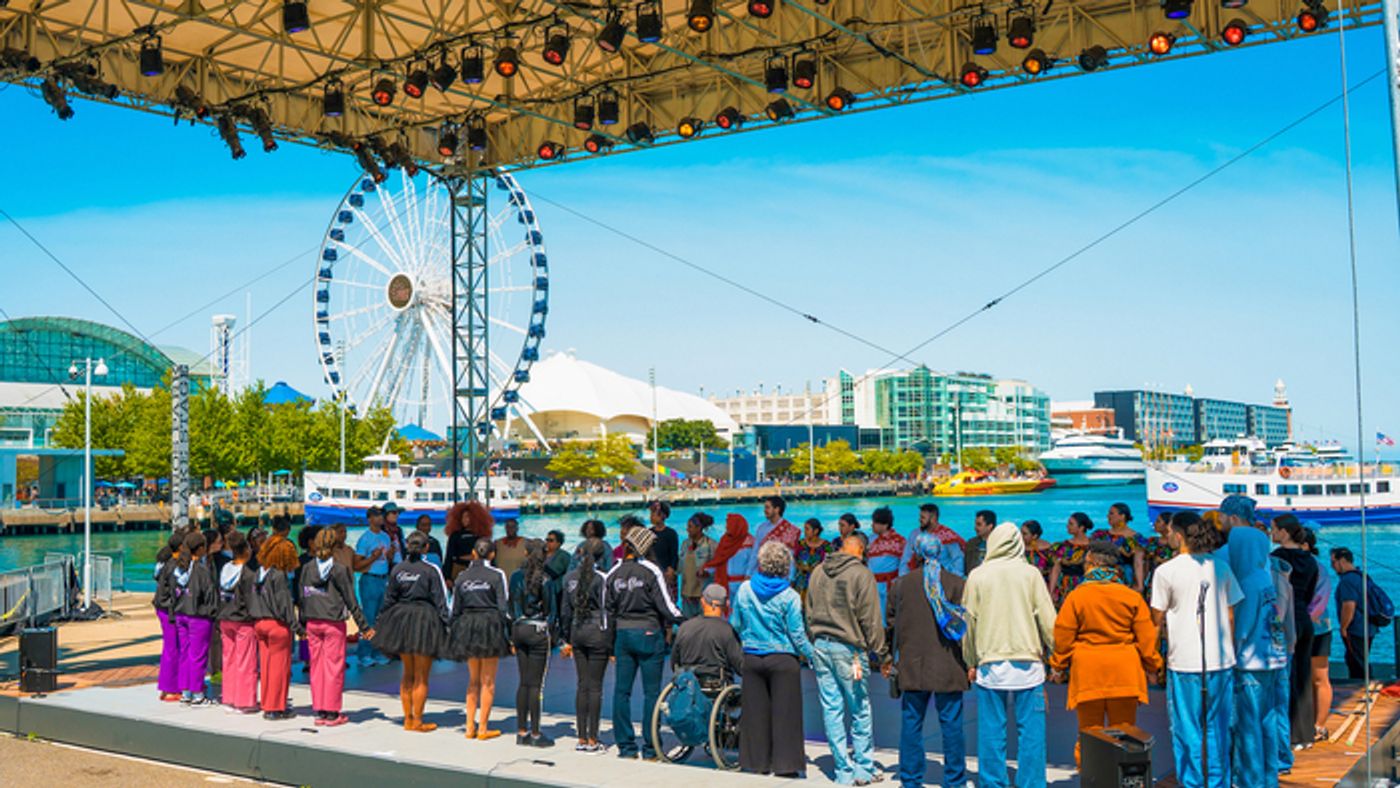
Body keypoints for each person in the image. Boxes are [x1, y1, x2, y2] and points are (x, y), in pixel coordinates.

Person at [1150, 511, 1242, 788]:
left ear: (1178, 535)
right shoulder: (1220, 567)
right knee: (1218, 728)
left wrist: (1152, 656)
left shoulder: (1165, 571)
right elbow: (1230, 615)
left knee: (1186, 729)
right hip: (1221, 660)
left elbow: (1155, 619)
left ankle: (1190, 782)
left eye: (1168, 533)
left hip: (1184, 661)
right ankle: (1219, 783)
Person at [1049, 541, 1161, 767]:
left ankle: (1092, 779)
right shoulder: (1131, 597)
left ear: (1091, 563)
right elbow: (1147, 639)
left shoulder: (1077, 597)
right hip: (1124, 673)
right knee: (1126, 734)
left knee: (1090, 735)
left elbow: (1063, 636)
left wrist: (1058, 666)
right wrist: (1153, 667)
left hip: (1089, 673)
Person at [962, 522, 1056, 788]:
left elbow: (969, 624)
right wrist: (1057, 658)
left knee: (992, 731)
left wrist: (970, 661)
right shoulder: (1031, 574)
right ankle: (1032, 783)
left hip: (991, 664)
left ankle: (993, 783)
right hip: (1029, 665)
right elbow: (1048, 620)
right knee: (1032, 733)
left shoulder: (978, 576)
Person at [1216, 495, 1292, 788]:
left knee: (1246, 724)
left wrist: (1231, 650)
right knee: (1267, 721)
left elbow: (1243, 624)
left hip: (1249, 661)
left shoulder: (1245, 581)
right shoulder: (1265, 576)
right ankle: (1268, 775)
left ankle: (1248, 780)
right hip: (1274, 656)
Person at [887, 529, 969, 788]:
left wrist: (888, 658)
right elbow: (965, 628)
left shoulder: (901, 585)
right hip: (949, 665)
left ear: (917, 554)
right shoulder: (957, 584)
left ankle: (910, 779)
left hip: (913, 665)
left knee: (911, 724)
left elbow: (891, 624)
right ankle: (954, 780)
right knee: (952, 726)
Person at [807, 531, 889, 786]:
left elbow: (808, 610)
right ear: (862, 551)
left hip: (821, 645)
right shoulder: (861, 574)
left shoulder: (818, 571)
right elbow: (871, 620)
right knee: (860, 709)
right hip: (850, 650)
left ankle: (842, 768)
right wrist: (883, 654)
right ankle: (863, 768)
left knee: (831, 709)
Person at [730, 540, 816, 778]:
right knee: (785, 715)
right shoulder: (790, 596)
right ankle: (785, 765)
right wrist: (814, 657)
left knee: (755, 714)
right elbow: (797, 635)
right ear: (785, 566)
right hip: (783, 660)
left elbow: (735, 623)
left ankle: (757, 762)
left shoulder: (745, 589)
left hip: (753, 657)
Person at [606, 527, 682, 760]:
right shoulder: (651, 570)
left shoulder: (614, 573)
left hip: (623, 636)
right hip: (649, 634)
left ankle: (626, 747)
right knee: (651, 694)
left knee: (621, 691)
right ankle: (650, 748)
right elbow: (666, 607)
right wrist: (686, 621)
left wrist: (611, 645)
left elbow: (607, 612)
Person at [373, 531, 451, 732]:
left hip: (402, 621)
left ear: (407, 546)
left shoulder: (398, 569)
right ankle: (417, 720)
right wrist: (447, 626)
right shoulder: (431, 570)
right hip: (424, 621)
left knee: (407, 673)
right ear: (426, 548)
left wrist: (381, 623)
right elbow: (440, 601)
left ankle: (408, 719)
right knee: (421, 676)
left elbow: (389, 599)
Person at [297, 529, 373, 727]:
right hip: (332, 623)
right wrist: (364, 626)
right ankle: (332, 712)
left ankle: (320, 709)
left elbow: (302, 596)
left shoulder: (307, 568)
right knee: (333, 668)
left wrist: (302, 623)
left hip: (313, 622)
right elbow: (350, 599)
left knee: (317, 667)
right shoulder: (339, 570)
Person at [448, 537, 512, 740]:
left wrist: (454, 633)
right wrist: (507, 634)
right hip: (489, 624)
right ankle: (483, 728)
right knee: (488, 681)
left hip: (468, 625)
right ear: (492, 554)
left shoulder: (462, 576)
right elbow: (504, 607)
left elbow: (454, 609)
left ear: (474, 554)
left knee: (473, 680)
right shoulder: (497, 574)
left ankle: (469, 726)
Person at [1271, 513, 1319, 749]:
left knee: (1285, 676)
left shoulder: (1277, 559)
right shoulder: (1309, 560)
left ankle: (1288, 734)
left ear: (1283, 532)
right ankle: (1305, 733)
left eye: (1273, 529)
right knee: (1304, 674)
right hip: (1304, 617)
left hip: (1286, 619)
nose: (1271, 533)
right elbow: (1310, 593)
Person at [560, 538, 611, 753]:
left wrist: (567, 640)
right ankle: (593, 738)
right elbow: (607, 610)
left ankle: (581, 737)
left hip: (577, 630)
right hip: (596, 631)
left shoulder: (570, 578)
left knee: (582, 685)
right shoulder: (602, 578)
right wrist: (611, 643)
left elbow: (565, 612)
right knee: (595, 686)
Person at [510, 541, 557, 747]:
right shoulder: (546, 579)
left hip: (519, 628)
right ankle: (536, 733)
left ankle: (521, 730)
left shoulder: (515, 577)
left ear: (526, 553)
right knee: (536, 685)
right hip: (537, 630)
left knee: (523, 681)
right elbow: (552, 612)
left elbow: (510, 606)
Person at [249, 539, 300, 720]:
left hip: (260, 623)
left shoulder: (258, 574)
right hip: (277, 625)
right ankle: (276, 707)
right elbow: (284, 604)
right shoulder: (279, 576)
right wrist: (296, 626)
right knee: (280, 667)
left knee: (267, 666)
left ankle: (267, 702)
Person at [170, 529, 216, 705]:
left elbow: (173, 593)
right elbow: (210, 595)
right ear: (200, 548)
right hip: (199, 616)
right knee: (198, 655)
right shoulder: (202, 571)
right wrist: (212, 614)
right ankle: (198, 693)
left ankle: (186, 692)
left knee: (185, 654)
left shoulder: (178, 569)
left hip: (181, 615)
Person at [217, 531, 259, 713]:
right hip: (243, 621)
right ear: (246, 549)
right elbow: (252, 600)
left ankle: (229, 698)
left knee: (229, 659)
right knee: (246, 661)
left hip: (225, 618)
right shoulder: (248, 573)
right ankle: (245, 701)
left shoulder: (225, 569)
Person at [671, 583, 745, 682]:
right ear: (726, 604)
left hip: (688, 684)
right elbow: (740, 666)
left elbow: (674, 663)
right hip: (717, 683)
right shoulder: (727, 630)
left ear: (702, 602)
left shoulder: (685, 627)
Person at [354, 507, 398, 666]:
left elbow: (388, 560)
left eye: (381, 516)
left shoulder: (386, 537)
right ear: (370, 519)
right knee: (369, 618)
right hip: (370, 579)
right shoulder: (365, 539)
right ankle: (364, 653)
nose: (380, 519)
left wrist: (391, 554)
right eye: (377, 516)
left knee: (381, 618)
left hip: (383, 578)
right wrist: (372, 558)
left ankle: (378, 651)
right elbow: (356, 564)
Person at [1332, 546, 1382, 680]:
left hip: (1356, 629)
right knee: (1361, 659)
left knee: (1356, 662)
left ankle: (1360, 688)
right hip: (1369, 626)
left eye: (1333, 562)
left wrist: (1343, 627)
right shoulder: (1362, 576)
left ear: (1342, 560)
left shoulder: (1347, 581)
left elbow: (1349, 605)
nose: (1332, 567)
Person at [1304, 529, 1333, 742]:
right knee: (1316, 678)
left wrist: (1303, 619)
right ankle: (1313, 723)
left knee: (1319, 677)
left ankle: (1319, 724)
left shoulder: (1316, 567)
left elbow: (1321, 600)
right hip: (1315, 626)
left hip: (1316, 627)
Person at [153, 530, 184, 702]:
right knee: (172, 649)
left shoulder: (166, 563)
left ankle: (169, 686)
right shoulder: (173, 566)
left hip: (163, 608)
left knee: (170, 648)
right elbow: (173, 592)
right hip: (168, 610)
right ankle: (170, 688)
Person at [900, 503, 966, 579]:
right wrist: (903, 579)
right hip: (918, 578)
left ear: (933, 518)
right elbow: (906, 558)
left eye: (923, 517)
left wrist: (953, 580)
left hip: (942, 579)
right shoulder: (915, 534)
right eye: (920, 517)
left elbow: (958, 560)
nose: (920, 520)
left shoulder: (947, 536)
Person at [866, 506, 906, 618]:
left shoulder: (899, 541)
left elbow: (905, 565)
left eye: (875, 522)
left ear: (884, 525)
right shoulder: (870, 540)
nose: (872, 525)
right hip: (872, 585)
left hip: (889, 587)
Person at [748, 496, 800, 578]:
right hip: (762, 574)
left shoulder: (790, 530)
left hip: (782, 576)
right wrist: (749, 573)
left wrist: (790, 578)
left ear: (777, 509)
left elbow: (790, 557)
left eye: (768, 507)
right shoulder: (761, 528)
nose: (765, 511)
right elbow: (755, 552)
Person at [1049, 512, 1093, 606]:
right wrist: (1051, 591)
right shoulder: (1063, 546)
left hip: (1085, 585)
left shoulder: (1093, 547)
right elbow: (1056, 569)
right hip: (1065, 586)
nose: (1067, 526)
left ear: (1081, 528)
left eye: (1071, 524)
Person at [705, 513, 755, 598]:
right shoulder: (725, 540)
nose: (726, 527)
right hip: (725, 583)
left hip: (744, 585)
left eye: (729, 524)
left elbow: (753, 565)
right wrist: (707, 570)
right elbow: (720, 559)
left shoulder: (750, 544)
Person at [680, 513, 719, 618]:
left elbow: (718, 567)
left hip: (703, 595)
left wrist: (707, 572)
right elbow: (681, 567)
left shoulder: (712, 545)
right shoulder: (685, 544)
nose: (687, 529)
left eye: (690, 527)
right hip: (687, 595)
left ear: (699, 528)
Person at [794, 518, 831, 605]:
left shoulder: (827, 546)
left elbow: (830, 565)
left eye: (807, 529)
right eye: (804, 529)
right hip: (800, 584)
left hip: (818, 584)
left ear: (816, 531)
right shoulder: (800, 544)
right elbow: (794, 560)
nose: (805, 532)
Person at [649, 500, 681, 594]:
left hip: (666, 571)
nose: (651, 516)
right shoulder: (649, 533)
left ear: (663, 516)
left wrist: (671, 569)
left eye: (654, 513)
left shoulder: (671, 533)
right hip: (652, 571)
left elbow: (674, 554)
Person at [1143, 510, 1176, 596]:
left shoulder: (1176, 543)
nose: (1154, 524)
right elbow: (1146, 562)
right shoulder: (1152, 541)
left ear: (1167, 525)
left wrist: (1161, 561)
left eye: (1158, 521)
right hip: (1154, 581)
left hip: (1171, 580)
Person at [1021, 521, 1053, 586]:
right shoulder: (1018, 548)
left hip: (1042, 585)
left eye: (1024, 534)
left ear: (1034, 536)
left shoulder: (1047, 549)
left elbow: (1053, 570)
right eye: (1020, 532)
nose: (1021, 535)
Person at [963, 509, 995, 574]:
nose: (975, 528)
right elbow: (967, 567)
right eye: (975, 524)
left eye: (979, 524)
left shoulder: (999, 543)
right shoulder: (971, 544)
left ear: (990, 526)